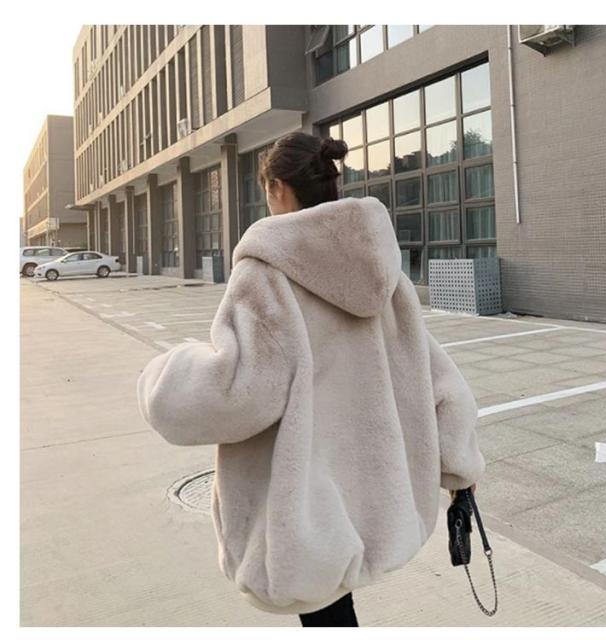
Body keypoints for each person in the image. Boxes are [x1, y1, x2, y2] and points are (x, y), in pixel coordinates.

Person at [137, 131, 486, 627]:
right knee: (336, 615)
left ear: (276, 187)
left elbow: (238, 392)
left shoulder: (267, 275)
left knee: (326, 615)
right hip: (374, 503)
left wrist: (160, 380)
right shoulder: (386, 274)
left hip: (307, 509)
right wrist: (460, 469)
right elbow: (436, 377)